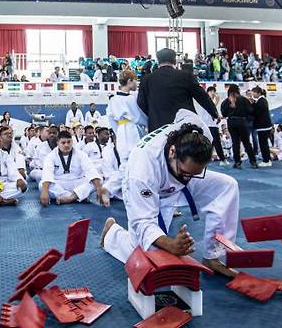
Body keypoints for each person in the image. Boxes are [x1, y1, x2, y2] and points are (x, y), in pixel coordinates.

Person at [101, 110, 239, 277]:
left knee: (226, 186)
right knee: (149, 254)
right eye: (186, 172)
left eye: (195, 173)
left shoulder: (201, 136)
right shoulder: (142, 170)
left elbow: (183, 112)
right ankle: (112, 235)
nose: (189, 178)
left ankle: (213, 256)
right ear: (172, 152)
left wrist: (189, 174)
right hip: (153, 186)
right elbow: (143, 222)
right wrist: (171, 244)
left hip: (175, 175)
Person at [137, 48, 218, 132]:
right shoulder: (186, 76)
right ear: (174, 60)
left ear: (158, 61)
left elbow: (141, 103)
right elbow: (202, 96)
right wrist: (214, 113)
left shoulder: (146, 79)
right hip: (183, 128)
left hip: (158, 128)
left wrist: (153, 114)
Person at [39, 130, 107, 207]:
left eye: (69, 142)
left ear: (72, 142)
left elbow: (90, 169)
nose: (66, 145)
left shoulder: (81, 154)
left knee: (99, 180)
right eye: (63, 143)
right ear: (58, 143)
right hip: (60, 183)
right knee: (42, 185)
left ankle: (70, 198)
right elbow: (47, 173)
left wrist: (98, 188)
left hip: (78, 182)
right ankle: (78, 196)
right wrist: (44, 192)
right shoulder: (51, 156)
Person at [106, 70, 147, 165]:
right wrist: (149, 122)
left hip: (120, 131)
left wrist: (118, 130)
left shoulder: (113, 99)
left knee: (124, 162)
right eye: (135, 81)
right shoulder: (131, 99)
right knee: (136, 160)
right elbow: (139, 118)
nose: (137, 84)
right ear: (129, 81)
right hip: (132, 130)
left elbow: (111, 118)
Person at [221, 85, 258, 169]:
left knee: (235, 143)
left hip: (231, 122)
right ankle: (253, 161)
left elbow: (224, 114)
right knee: (247, 143)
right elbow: (250, 111)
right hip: (242, 122)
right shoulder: (243, 99)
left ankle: (237, 162)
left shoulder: (226, 101)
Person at [201, 86, 228, 166]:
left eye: (214, 91)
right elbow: (211, 109)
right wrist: (217, 101)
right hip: (208, 125)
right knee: (215, 143)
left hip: (212, 124)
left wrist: (221, 117)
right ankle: (222, 159)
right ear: (208, 92)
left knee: (212, 143)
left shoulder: (211, 101)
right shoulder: (205, 100)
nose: (213, 93)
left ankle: (207, 159)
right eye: (211, 91)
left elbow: (215, 113)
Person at [251, 86, 273, 167]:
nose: (253, 94)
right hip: (264, 126)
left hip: (263, 126)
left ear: (258, 93)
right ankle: (267, 159)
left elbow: (255, 112)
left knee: (263, 144)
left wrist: (252, 104)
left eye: (254, 92)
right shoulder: (261, 101)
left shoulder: (261, 101)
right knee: (264, 143)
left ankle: (266, 160)